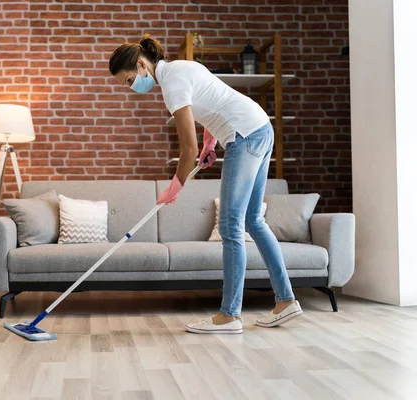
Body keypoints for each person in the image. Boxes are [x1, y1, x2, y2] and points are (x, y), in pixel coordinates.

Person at [108, 34, 303, 334]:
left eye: (130, 79)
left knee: (230, 225)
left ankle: (229, 315)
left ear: (142, 64)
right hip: (261, 128)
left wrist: (175, 187)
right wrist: (209, 145)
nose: (131, 87)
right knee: (252, 220)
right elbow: (212, 104)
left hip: (244, 135)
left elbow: (185, 149)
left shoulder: (171, 85)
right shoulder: (182, 68)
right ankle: (286, 300)